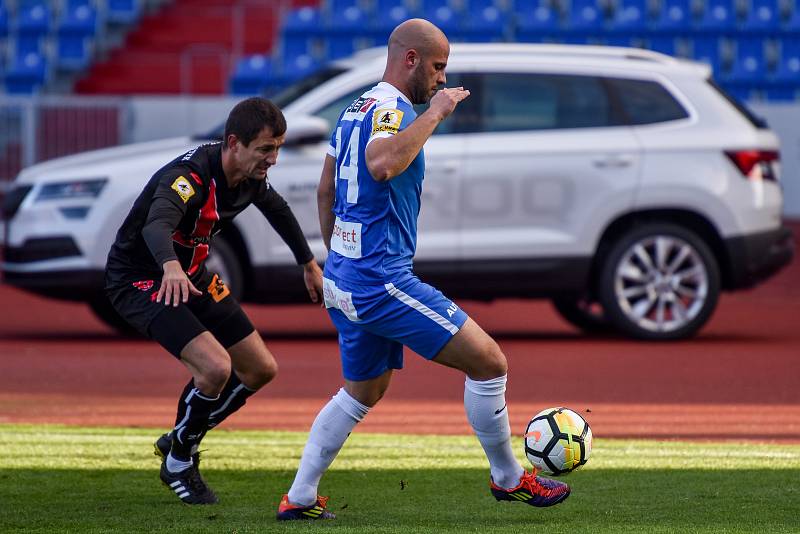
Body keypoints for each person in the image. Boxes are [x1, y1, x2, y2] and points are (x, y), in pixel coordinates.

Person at [276, 20, 570, 521]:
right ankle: (507, 478)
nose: (441, 79)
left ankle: (300, 496)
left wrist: (338, 255)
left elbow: (327, 189)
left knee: (363, 390)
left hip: (346, 276)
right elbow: (382, 164)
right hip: (380, 278)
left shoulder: (354, 109)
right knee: (490, 363)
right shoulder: (392, 110)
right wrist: (435, 112)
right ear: (410, 59)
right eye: (437, 67)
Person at [104, 97, 324, 505]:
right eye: (265, 150)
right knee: (215, 369)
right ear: (233, 143)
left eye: (277, 148)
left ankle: (179, 440)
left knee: (260, 369)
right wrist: (169, 265)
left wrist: (308, 263)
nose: (273, 159)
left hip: (193, 275)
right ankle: (179, 460)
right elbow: (157, 225)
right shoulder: (188, 176)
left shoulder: (249, 176)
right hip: (143, 279)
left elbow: (277, 208)